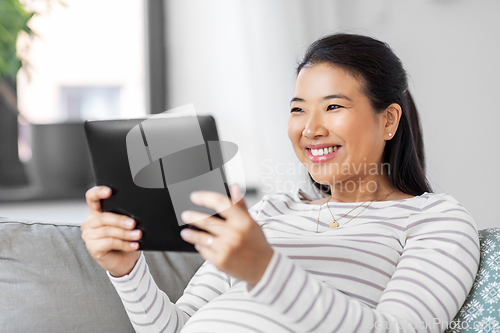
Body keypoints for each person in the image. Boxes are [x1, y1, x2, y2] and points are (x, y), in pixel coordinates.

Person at [81, 33, 480, 332]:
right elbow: (176, 327)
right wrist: (128, 271)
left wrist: (265, 270)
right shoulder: (274, 209)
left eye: (334, 106)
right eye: (298, 109)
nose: (310, 128)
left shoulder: (435, 219)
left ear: (389, 120)